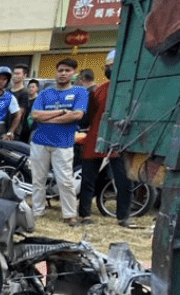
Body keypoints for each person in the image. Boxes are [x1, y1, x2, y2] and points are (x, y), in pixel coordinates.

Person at [77, 50, 136, 226]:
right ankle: (85, 215)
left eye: (112, 66)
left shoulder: (131, 91)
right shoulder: (98, 91)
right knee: (88, 179)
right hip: (95, 138)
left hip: (120, 140)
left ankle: (124, 216)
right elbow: (88, 118)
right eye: (108, 67)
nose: (109, 69)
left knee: (124, 180)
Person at [29, 57, 87, 226]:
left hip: (63, 143)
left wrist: (47, 119)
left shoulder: (79, 92)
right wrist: (62, 112)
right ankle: (37, 210)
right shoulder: (46, 92)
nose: (63, 74)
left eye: (67, 71)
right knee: (38, 179)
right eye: (60, 70)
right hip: (40, 142)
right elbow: (35, 115)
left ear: (73, 73)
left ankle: (70, 215)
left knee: (65, 180)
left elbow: (77, 115)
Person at [0, 66, 23, 146]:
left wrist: (10, 132)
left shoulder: (10, 97)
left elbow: (18, 114)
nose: (1, 81)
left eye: (4, 79)